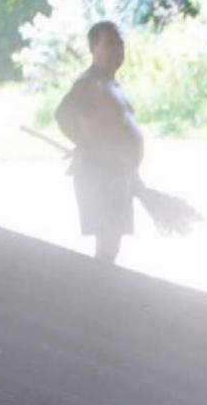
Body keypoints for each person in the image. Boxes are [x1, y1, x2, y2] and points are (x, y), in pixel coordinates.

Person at [55, 21, 145, 264]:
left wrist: (133, 174)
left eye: (120, 44)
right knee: (108, 242)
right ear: (94, 49)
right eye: (110, 44)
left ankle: (101, 291)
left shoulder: (110, 83)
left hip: (117, 173)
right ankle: (98, 293)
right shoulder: (89, 83)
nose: (118, 50)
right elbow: (62, 114)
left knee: (111, 244)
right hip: (99, 173)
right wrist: (87, 145)